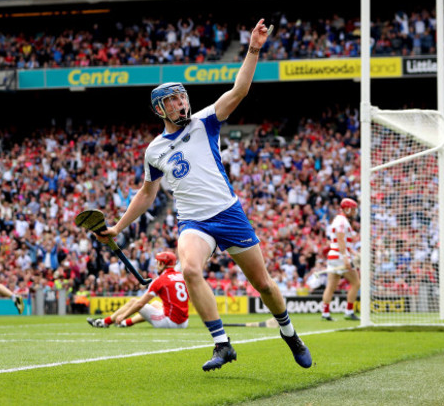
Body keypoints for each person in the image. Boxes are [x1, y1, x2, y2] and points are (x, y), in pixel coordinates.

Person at [94, 19, 311, 372]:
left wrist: (254, 48)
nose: (181, 103)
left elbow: (239, 90)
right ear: (159, 110)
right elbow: (146, 194)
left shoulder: (206, 121)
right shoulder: (154, 150)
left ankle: (290, 334)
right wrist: (117, 229)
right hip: (194, 221)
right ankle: (222, 344)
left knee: (264, 284)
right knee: (191, 269)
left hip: (228, 213)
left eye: (182, 96)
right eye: (172, 100)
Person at [87, 251, 189, 329]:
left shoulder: (160, 280)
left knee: (134, 302)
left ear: (162, 264)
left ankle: (105, 322)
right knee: (155, 304)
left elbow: (140, 304)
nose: (156, 265)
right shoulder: (181, 277)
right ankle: (125, 323)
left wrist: (123, 315)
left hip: (170, 323)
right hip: (184, 322)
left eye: (158, 262)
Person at [321, 198, 360, 321]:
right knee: (356, 283)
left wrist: (352, 252)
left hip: (334, 255)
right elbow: (340, 239)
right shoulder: (342, 221)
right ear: (347, 208)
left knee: (331, 286)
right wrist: (345, 257)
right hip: (339, 256)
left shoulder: (340, 220)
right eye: (353, 209)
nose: (354, 212)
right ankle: (349, 311)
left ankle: (325, 313)